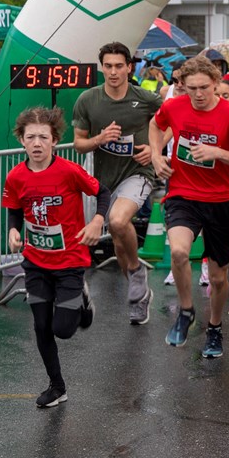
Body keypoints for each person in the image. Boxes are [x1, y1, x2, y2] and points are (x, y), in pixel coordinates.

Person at [150, 57, 229, 359]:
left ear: (216, 84)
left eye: (204, 88)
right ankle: (186, 311)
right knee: (179, 252)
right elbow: (155, 125)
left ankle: (214, 327)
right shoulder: (175, 107)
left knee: (219, 277)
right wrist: (157, 156)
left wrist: (218, 153)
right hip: (182, 194)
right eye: (191, 88)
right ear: (183, 86)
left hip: (219, 201)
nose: (198, 94)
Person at [3, 107, 107, 408]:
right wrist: (13, 230)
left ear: (55, 140)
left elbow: (103, 193)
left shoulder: (69, 171)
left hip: (70, 261)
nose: (37, 143)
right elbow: (15, 208)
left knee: (62, 329)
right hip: (36, 262)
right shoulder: (15, 176)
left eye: (43, 137)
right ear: (21, 140)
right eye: (30, 137)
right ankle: (57, 386)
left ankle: (82, 303)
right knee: (41, 325)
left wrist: (97, 221)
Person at [72, 42, 163, 323]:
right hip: (106, 181)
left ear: (129, 68)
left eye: (119, 66)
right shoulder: (88, 99)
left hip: (138, 172)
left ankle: (136, 273)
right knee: (120, 244)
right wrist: (99, 139)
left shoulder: (145, 98)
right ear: (102, 68)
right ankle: (140, 294)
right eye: (108, 66)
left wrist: (155, 149)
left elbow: (173, 120)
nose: (113, 72)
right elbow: (78, 144)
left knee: (119, 220)